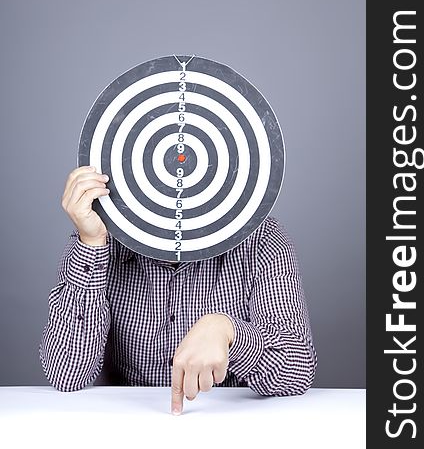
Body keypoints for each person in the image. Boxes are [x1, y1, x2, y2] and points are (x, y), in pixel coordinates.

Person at [39, 166, 317, 415]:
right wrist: (91, 243)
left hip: (228, 422)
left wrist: (227, 330)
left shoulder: (262, 237)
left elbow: (298, 368)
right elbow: (66, 374)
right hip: (125, 423)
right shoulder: (100, 235)